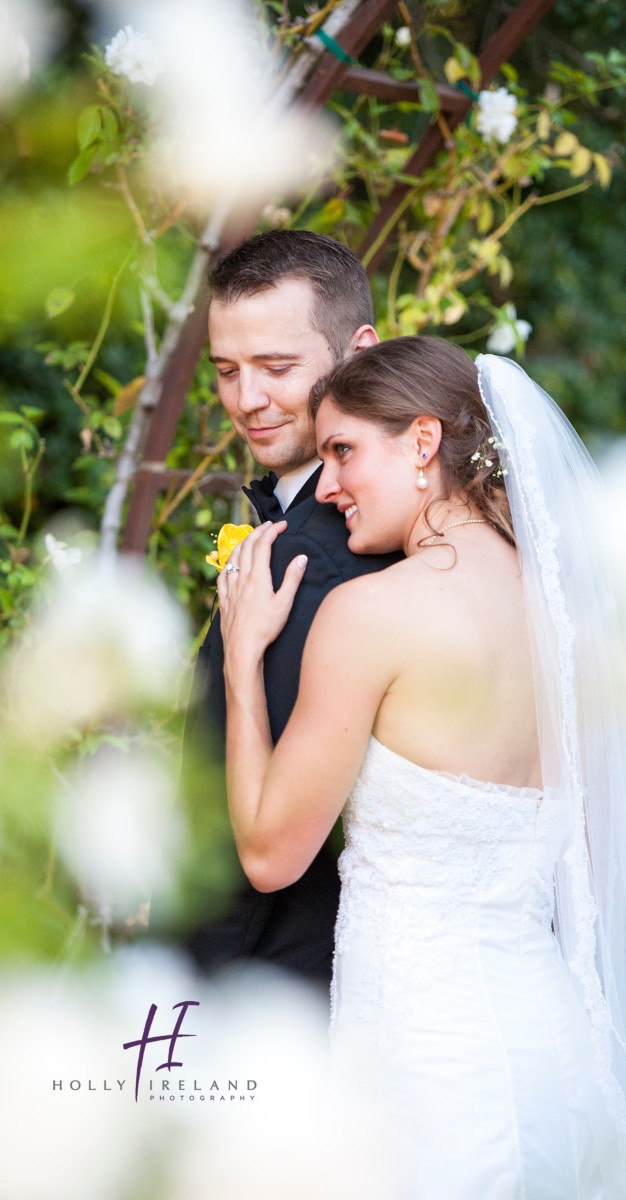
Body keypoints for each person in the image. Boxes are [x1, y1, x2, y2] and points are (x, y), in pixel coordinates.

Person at [216, 337, 626, 1198]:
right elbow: (594, 878)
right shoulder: (578, 637)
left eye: (343, 451)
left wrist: (241, 664)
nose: (329, 484)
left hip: (424, 1075)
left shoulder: (369, 614)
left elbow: (271, 855)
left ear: (422, 444)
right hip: (557, 1056)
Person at [181, 230, 401, 985]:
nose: (247, 400)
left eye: (276, 368)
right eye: (226, 371)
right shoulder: (354, 526)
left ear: (357, 350)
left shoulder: (321, 557)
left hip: (271, 979)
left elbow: (262, 843)